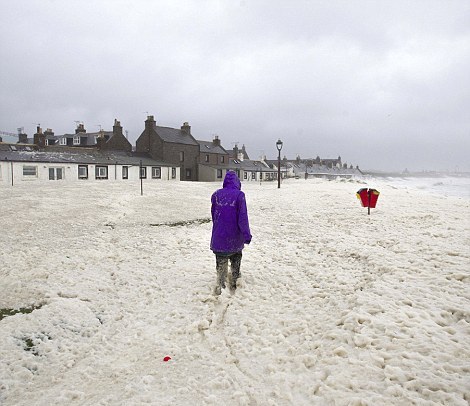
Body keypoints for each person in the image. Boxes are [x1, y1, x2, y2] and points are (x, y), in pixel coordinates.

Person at [210, 171, 252, 295]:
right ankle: (234, 282)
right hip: (234, 239)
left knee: (221, 263)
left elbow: (214, 216)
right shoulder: (239, 196)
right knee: (236, 258)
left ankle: (221, 286)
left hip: (219, 239)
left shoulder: (216, 195)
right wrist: (246, 235)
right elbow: (242, 218)